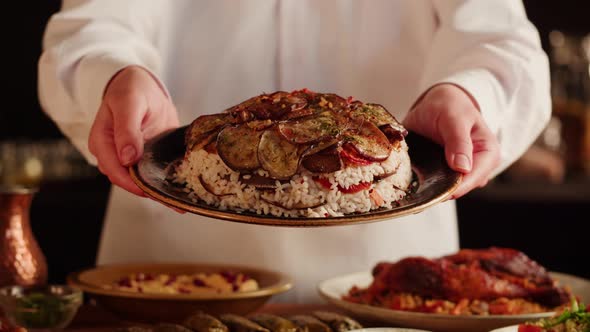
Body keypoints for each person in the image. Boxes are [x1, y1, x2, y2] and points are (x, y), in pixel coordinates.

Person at [38, 0, 551, 302]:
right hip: (172, 261)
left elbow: (503, 41)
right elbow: (91, 23)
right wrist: (111, 75)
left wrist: (467, 93)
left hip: (387, 265)